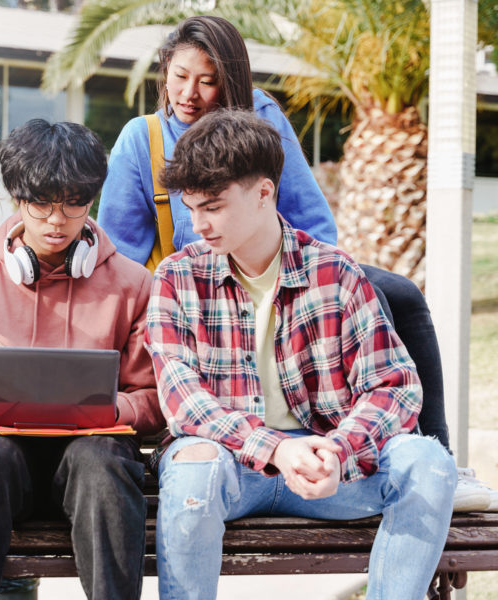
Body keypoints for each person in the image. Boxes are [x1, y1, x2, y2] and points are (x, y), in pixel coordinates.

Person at [99, 14, 455, 472]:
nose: (189, 94)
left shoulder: (261, 114)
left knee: (399, 293)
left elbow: (311, 216)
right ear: (164, 71)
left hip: (282, 266)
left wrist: (305, 277)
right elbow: (121, 253)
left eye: (207, 82)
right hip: (195, 289)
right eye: (180, 77)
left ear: (231, 83)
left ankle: (432, 450)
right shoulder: (142, 139)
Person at [146, 108, 457, 599]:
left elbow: (394, 385)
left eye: (213, 206)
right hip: (231, 468)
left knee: (429, 463)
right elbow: (183, 401)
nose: (198, 224)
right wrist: (275, 448)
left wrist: (339, 449)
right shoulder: (177, 276)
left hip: (331, 469)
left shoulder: (335, 272)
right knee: (192, 466)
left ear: (264, 192)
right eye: (191, 208)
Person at [0, 119, 164, 600]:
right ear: (16, 198)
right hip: (1, 464)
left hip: (93, 464)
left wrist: (117, 410)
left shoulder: (134, 284)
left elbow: (153, 398)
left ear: (92, 199)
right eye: (42, 204)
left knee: (101, 459)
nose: (57, 220)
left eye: (74, 203)